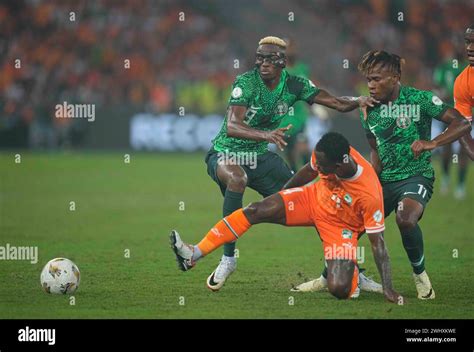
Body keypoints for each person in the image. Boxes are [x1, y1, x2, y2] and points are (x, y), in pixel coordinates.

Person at [204, 36, 377, 291]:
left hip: (261, 157)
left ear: (282, 61)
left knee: (316, 203)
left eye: (270, 58)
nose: (263, 63)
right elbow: (232, 126)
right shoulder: (246, 83)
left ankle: (348, 267)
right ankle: (228, 259)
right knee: (237, 180)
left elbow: (337, 103)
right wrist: (267, 135)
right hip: (228, 153)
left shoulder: (295, 84)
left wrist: (357, 100)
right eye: (259, 57)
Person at [294, 50, 471, 300]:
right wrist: (369, 182)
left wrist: (433, 143)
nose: (371, 85)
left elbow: (462, 123)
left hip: (415, 176)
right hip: (384, 180)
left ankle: (420, 276)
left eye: (377, 79)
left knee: (406, 218)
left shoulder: (419, 99)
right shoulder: (370, 109)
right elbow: (376, 150)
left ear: (395, 77)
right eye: (369, 80)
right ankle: (329, 275)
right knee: (348, 228)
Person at [173, 132, 403, 303]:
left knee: (340, 290)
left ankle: (351, 271)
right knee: (256, 210)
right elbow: (308, 171)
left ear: (340, 163)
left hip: (339, 227)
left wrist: (388, 287)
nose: (318, 169)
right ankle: (194, 254)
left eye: (323, 166)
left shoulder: (370, 192)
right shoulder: (328, 154)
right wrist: (282, 194)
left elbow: (378, 244)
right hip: (311, 199)